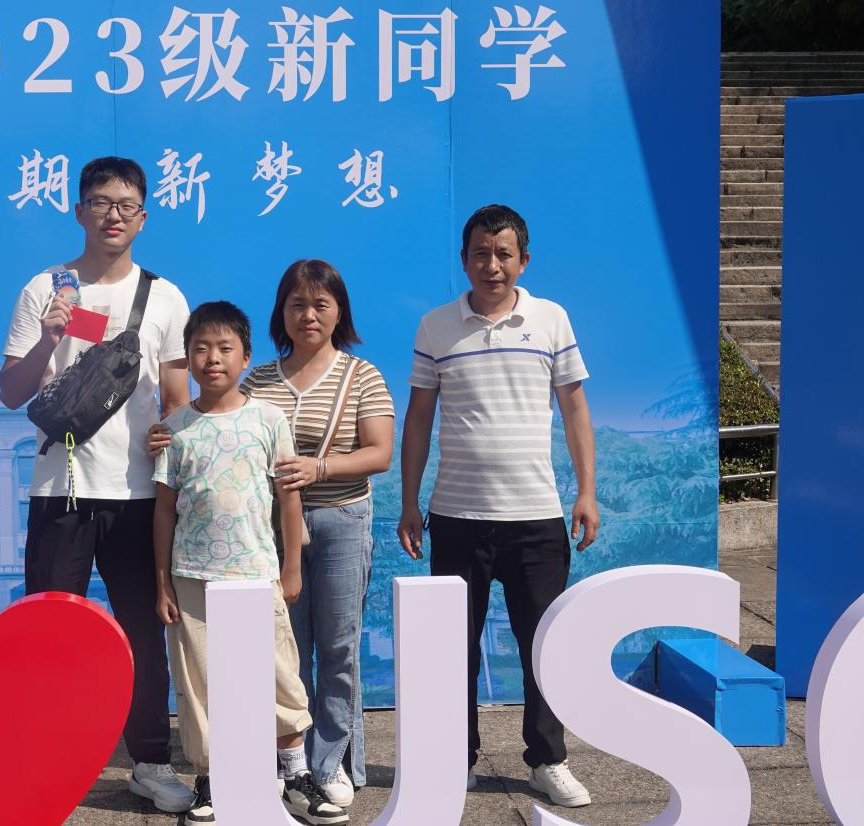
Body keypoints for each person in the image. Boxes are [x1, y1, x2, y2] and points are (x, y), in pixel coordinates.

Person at [0, 156, 195, 813]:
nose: (114, 215)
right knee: (50, 634)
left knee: (143, 633)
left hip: (138, 497)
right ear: (79, 211)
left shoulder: (164, 297)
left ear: (143, 217)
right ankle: (45, 763)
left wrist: (172, 441)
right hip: (61, 490)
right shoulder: (44, 289)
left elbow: (176, 397)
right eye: (102, 203)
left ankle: (151, 762)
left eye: (127, 205)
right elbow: (10, 392)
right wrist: (48, 337)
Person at [396, 204, 600, 809]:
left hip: (535, 516)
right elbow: (419, 420)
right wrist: (410, 501)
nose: (492, 265)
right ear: (464, 260)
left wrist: (586, 491)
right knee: (452, 646)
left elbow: (575, 409)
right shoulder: (436, 326)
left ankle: (548, 760)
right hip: (457, 516)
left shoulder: (551, 319)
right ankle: (454, 757)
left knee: (544, 645)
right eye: (481, 254)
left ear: (523, 260)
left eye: (503, 254)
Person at [153, 301, 349, 826]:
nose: (212, 359)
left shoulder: (268, 419)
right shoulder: (174, 428)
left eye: (225, 348)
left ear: (245, 358)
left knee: (279, 672)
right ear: (187, 360)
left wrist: (291, 566)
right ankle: (211, 779)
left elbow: (288, 498)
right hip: (191, 576)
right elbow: (165, 511)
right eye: (200, 349)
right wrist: (163, 583)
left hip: (257, 571)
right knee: (199, 681)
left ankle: (294, 774)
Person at [240, 260, 394, 806]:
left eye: (320, 304)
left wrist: (319, 468)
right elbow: (229, 433)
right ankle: (291, 761)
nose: (308, 315)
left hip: (341, 522)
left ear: (339, 312)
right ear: (281, 313)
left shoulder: (362, 375)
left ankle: (332, 763)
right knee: (283, 649)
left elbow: (379, 453)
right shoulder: (256, 381)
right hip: (272, 530)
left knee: (338, 647)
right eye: (297, 304)